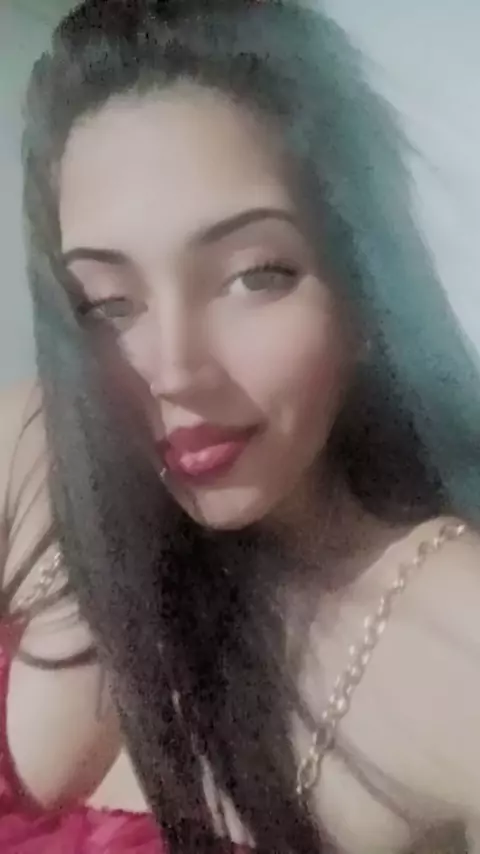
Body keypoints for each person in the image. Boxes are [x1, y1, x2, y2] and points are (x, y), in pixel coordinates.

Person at [1, 0, 480, 851]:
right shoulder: (35, 446)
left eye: (255, 275)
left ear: (366, 288)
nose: (173, 371)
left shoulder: (455, 638)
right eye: (108, 303)